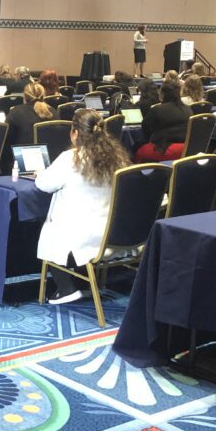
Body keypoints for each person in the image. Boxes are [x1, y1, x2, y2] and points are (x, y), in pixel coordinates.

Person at [35, 109, 132, 304]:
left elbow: (44, 185)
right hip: (112, 234)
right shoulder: (118, 158)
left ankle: (66, 288)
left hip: (79, 236)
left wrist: (39, 173)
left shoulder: (70, 158)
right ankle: (83, 281)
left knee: (48, 233)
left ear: (75, 133)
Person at [0, 81, 53, 173]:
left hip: (21, 165)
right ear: (43, 96)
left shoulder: (16, 112)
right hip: (50, 164)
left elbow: (5, 138)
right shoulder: (53, 112)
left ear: (24, 96)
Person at [134, 80, 192, 162]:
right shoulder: (188, 109)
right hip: (187, 148)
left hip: (165, 148)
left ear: (163, 94)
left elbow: (145, 128)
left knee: (138, 150)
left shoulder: (157, 109)